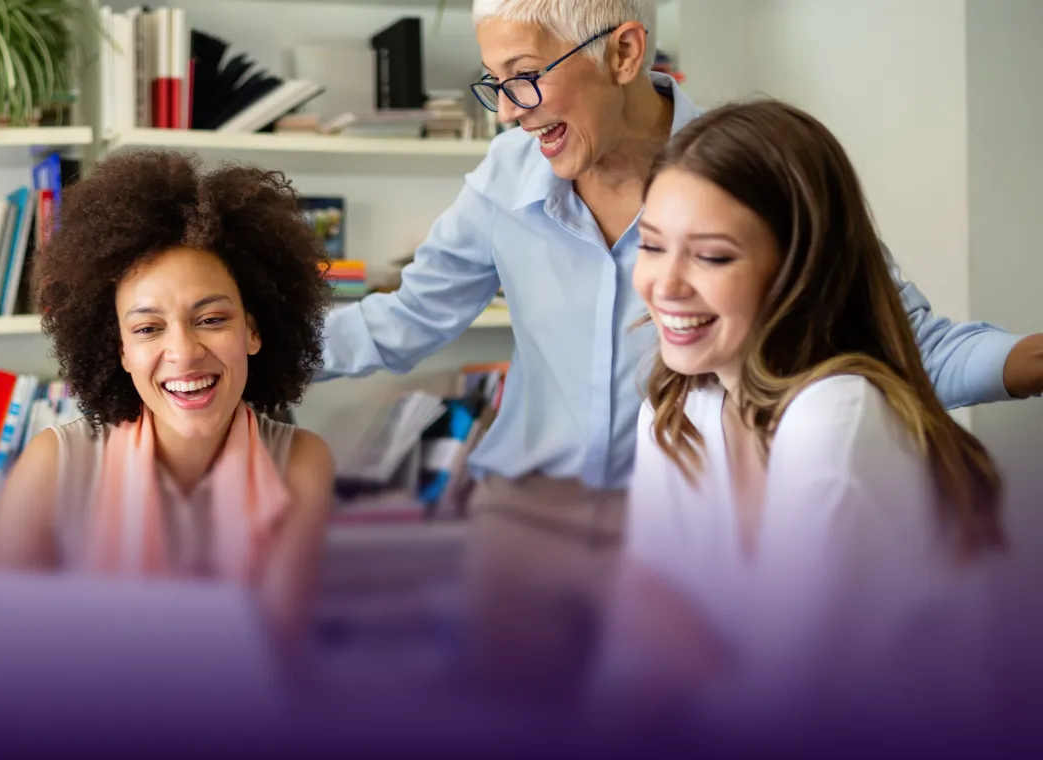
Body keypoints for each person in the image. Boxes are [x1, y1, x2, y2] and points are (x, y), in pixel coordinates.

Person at [314, 0, 1042, 704]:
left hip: (698, 523)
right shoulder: (513, 188)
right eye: (495, 81)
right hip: (534, 523)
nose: (506, 107)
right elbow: (406, 317)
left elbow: (902, 338)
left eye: (524, 74)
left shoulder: (748, 173)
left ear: (625, 52)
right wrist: (241, 346)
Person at [592, 99, 1006, 745]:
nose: (663, 284)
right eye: (650, 245)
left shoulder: (836, 415)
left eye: (713, 256)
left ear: (798, 273)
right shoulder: (676, 417)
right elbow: (639, 676)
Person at [0, 149, 336, 645]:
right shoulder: (55, 464)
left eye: (211, 320)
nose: (183, 353)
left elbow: (276, 656)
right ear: (121, 351)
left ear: (253, 332)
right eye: (148, 328)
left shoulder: (301, 461)